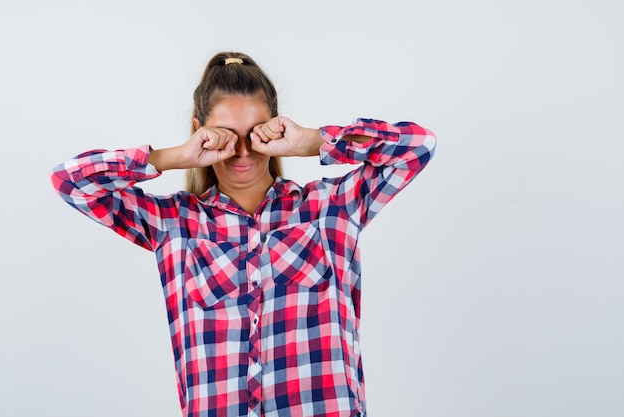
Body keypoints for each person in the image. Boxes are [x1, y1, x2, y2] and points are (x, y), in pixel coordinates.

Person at [51, 51, 437, 417]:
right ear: (198, 132)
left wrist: (313, 141)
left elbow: (418, 146)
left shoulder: (330, 209)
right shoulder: (173, 224)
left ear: (277, 127)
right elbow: (70, 181)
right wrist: (174, 156)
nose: (242, 150)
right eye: (225, 134)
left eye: (255, 132)